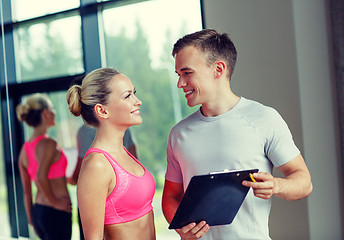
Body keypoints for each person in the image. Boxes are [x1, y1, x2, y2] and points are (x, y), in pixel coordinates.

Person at [162, 29, 313, 240]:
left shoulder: (265, 118)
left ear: (218, 69)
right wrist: (179, 226)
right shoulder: (178, 134)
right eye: (178, 75)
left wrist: (276, 185)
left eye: (187, 73)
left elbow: (304, 181)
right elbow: (170, 196)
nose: (180, 83)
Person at [66, 67, 156, 240]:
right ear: (102, 110)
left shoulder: (122, 152)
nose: (138, 101)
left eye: (134, 93)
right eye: (127, 96)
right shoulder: (97, 165)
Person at [16, 93, 72, 240]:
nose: (54, 113)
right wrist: (56, 203)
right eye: (52, 109)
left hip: (39, 212)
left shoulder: (24, 150)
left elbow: (27, 191)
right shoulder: (48, 144)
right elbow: (41, 177)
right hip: (56, 213)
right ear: (45, 113)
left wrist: (31, 218)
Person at [68, 125, 138, 240]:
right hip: (113, 202)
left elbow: (79, 174)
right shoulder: (123, 127)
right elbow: (135, 161)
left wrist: (70, 179)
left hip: (107, 202)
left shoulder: (84, 131)